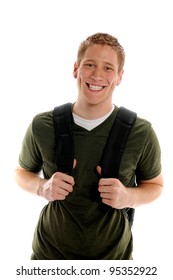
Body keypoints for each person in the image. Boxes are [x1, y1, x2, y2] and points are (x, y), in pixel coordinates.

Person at [14, 32, 163, 260]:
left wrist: (127, 197)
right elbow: (21, 172)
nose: (97, 75)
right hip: (48, 259)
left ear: (120, 76)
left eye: (108, 68)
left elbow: (155, 185)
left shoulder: (140, 132)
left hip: (114, 261)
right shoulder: (42, 125)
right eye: (90, 65)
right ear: (76, 69)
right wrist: (42, 187)